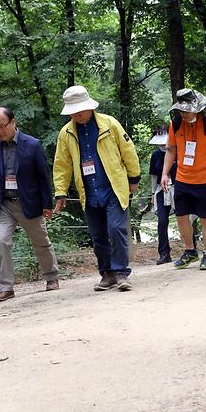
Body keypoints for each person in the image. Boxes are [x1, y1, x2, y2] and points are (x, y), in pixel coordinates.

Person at [53, 86, 141, 291]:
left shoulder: (110, 124)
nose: (77, 114)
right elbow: (61, 164)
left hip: (113, 187)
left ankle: (121, 273)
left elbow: (128, 151)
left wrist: (134, 177)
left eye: (80, 109)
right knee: (98, 235)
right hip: (88, 190)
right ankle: (107, 274)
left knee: (116, 228)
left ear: (90, 107)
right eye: (73, 111)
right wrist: (61, 191)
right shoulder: (65, 133)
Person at [0, 107, 60, 303]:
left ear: (13, 122)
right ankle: (6, 287)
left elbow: (43, 177)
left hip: (29, 202)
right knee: (1, 242)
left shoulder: (32, 144)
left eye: (3, 126)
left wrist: (47, 204)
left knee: (41, 242)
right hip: (3, 204)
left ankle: (51, 277)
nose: (0, 131)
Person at [160, 88, 206, 270]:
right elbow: (171, 150)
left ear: (196, 108)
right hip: (182, 179)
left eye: (186, 110)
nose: (183, 113)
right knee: (181, 217)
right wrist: (165, 173)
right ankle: (190, 251)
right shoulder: (175, 124)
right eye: (181, 110)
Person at [149, 127, 173, 264]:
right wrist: (153, 194)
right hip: (161, 190)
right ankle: (164, 253)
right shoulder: (156, 155)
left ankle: (191, 247)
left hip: (177, 188)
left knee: (186, 219)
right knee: (162, 222)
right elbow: (153, 176)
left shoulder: (177, 151)